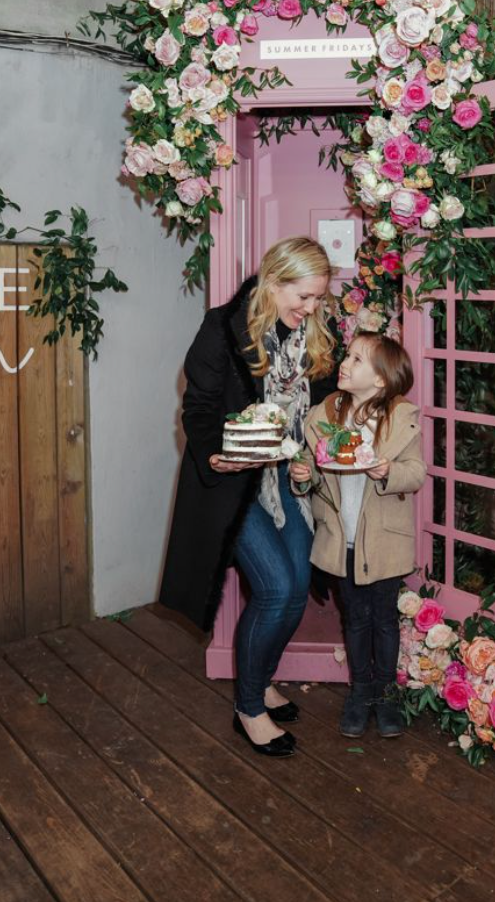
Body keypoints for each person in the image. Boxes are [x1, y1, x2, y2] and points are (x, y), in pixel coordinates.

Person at [160, 236, 338, 758]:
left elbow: (325, 408)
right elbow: (197, 408)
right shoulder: (221, 327)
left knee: (298, 584)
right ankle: (249, 709)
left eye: (318, 298)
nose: (312, 308)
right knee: (277, 588)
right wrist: (215, 454)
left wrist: (313, 455)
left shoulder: (316, 333)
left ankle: (260, 680)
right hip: (235, 483)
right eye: (303, 296)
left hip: (286, 480)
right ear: (274, 281)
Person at [291, 332, 426, 738]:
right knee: (354, 618)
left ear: (381, 379)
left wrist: (387, 471)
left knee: (383, 619)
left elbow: (416, 473)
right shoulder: (327, 414)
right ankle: (360, 693)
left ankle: (385, 694)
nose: (344, 364)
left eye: (356, 360)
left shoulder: (398, 419)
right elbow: (314, 469)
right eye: (347, 356)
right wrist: (303, 475)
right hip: (341, 538)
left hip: (383, 539)